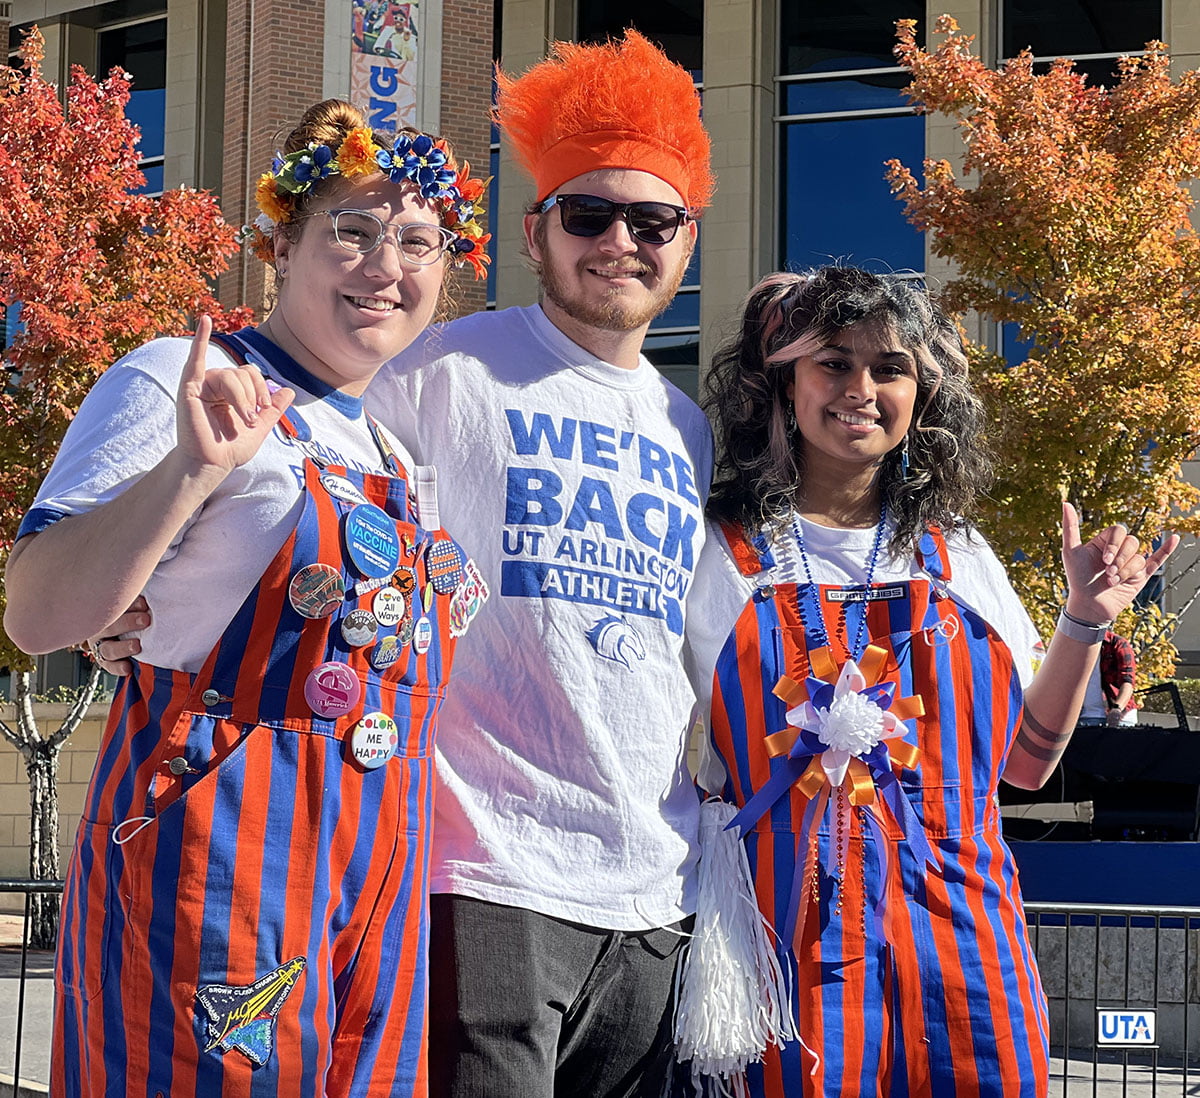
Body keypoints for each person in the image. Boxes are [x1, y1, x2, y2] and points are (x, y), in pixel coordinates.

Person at [5, 99, 488, 1098]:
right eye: (349, 233)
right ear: (281, 243)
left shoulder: (392, 444)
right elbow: (37, 613)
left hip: (380, 874)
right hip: (219, 860)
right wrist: (185, 469)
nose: (384, 266)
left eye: (416, 241)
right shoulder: (180, 380)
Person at [683, 267, 1177, 1097]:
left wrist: (1084, 621)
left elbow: (1025, 766)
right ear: (782, 382)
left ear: (925, 393)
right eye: (833, 362)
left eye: (891, 368)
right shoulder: (714, 554)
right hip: (785, 937)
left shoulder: (961, 555)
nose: (861, 390)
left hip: (966, 940)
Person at [364, 31, 715, 1098]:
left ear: (687, 239)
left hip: (659, 890)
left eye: (652, 220)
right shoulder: (444, 370)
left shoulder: (690, 426)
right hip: (487, 872)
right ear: (535, 233)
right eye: (588, 214)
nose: (620, 242)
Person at [1079, 629, 1138, 726]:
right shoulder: (1075, 647)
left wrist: (1117, 708)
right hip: (1085, 716)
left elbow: (1127, 681)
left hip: (1121, 716)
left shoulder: (1118, 643)